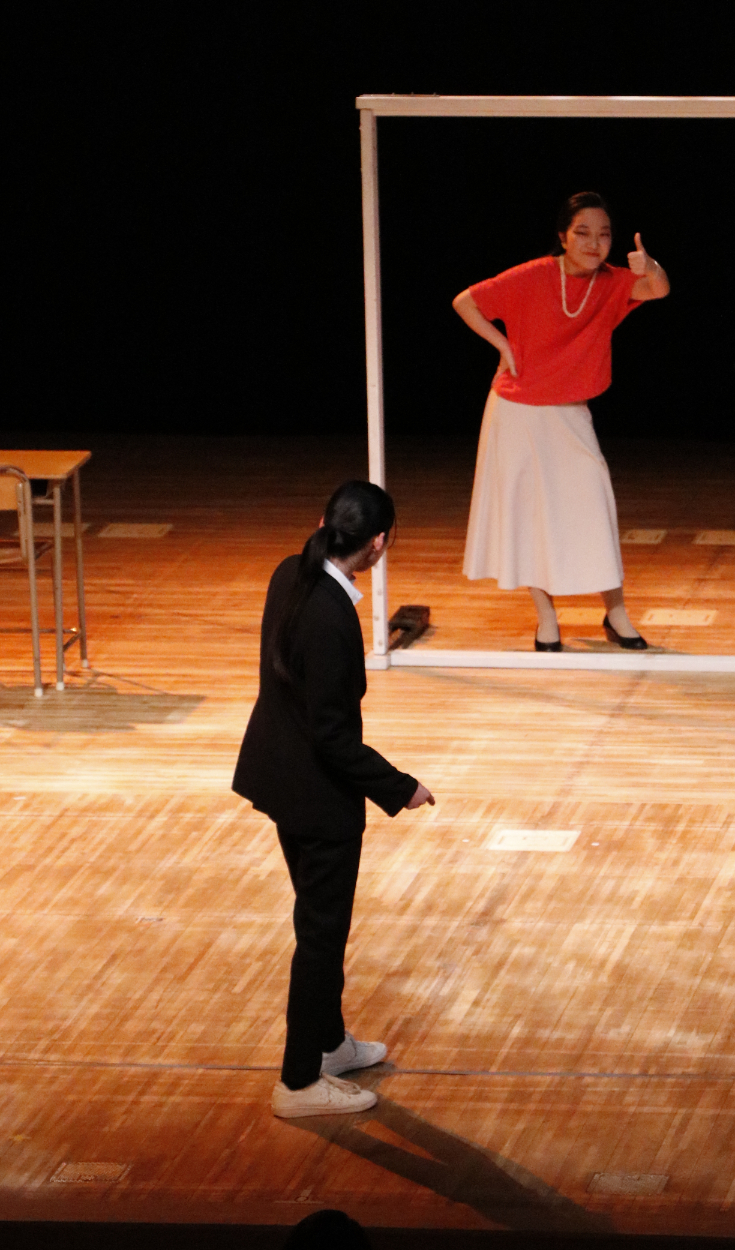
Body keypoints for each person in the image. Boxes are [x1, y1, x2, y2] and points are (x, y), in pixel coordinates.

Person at [233, 480, 435, 1118]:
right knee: (321, 937)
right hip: (316, 797)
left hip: (282, 777)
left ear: (325, 523)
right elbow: (333, 737)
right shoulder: (331, 617)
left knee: (320, 925)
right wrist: (401, 787)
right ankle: (298, 1083)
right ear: (378, 544)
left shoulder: (290, 573)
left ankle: (328, 1043)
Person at [452, 191, 669, 649]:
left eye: (603, 234)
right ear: (563, 237)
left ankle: (616, 613)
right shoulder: (533, 275)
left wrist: (649, 265)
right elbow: (465, 302)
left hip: (570, 413)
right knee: (531, 516)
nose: (594, 243)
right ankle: (546, 618)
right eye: (582, 233)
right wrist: (503, 346)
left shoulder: (614, 281)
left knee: (594, 507)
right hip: (516, 411)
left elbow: (659, 289)